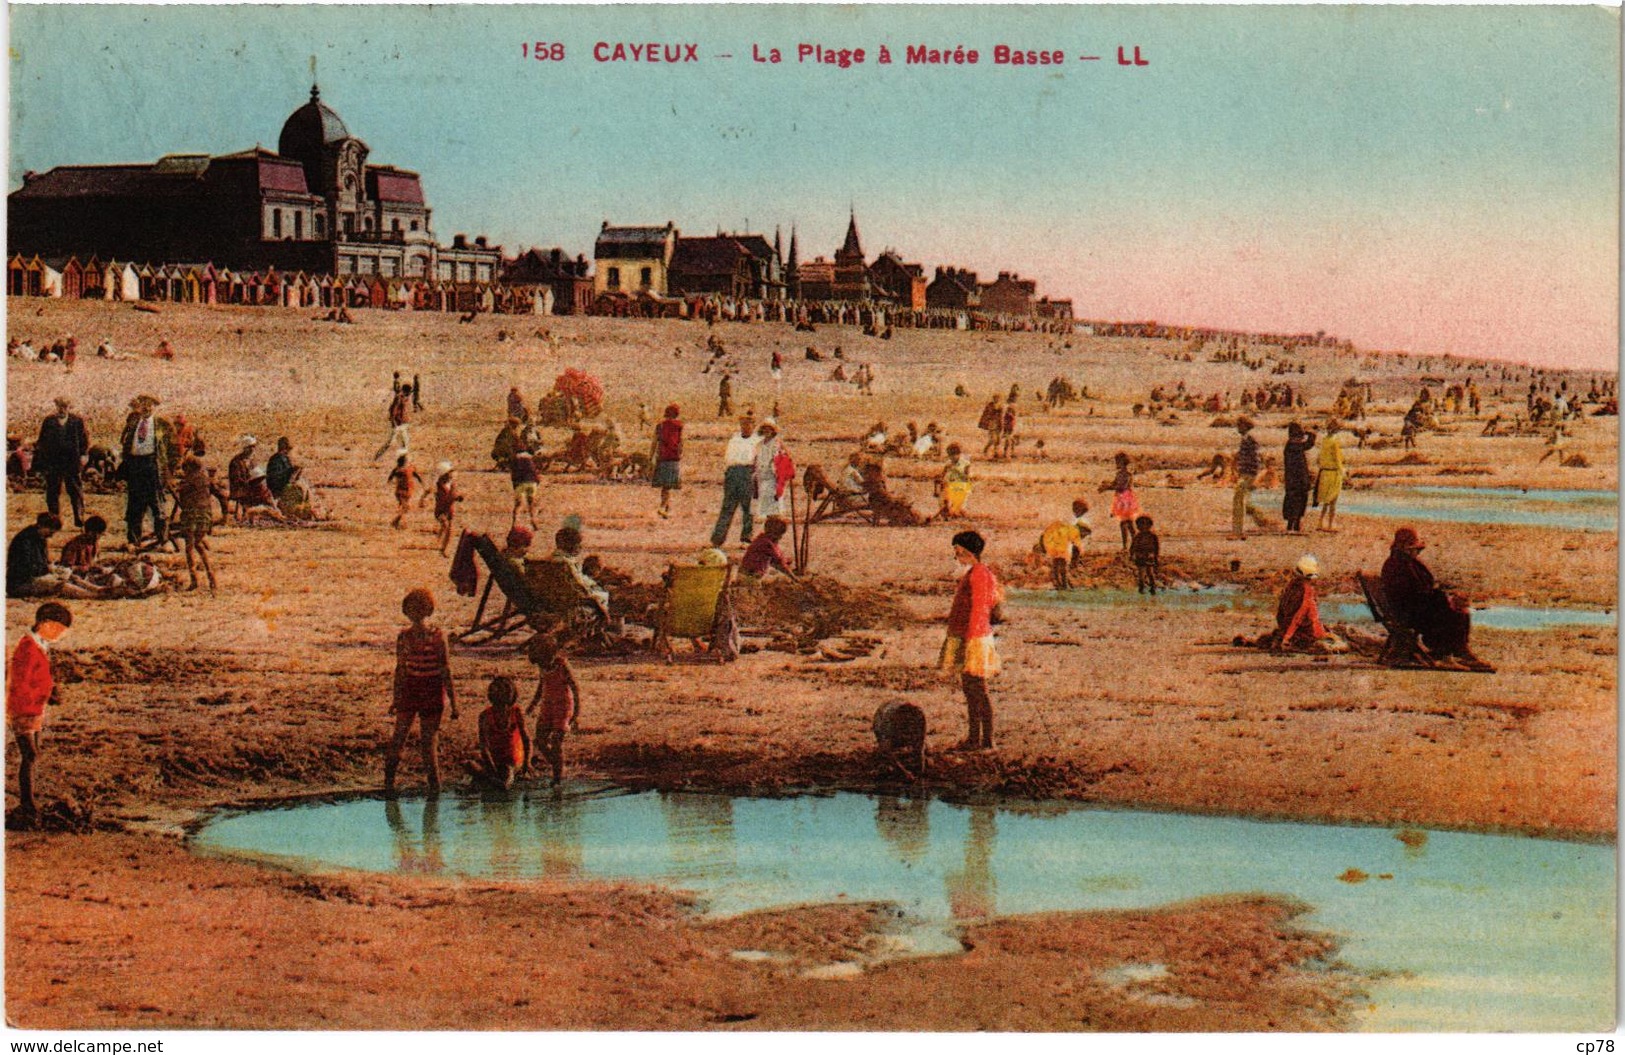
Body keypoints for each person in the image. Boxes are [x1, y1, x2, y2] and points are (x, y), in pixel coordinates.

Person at [1380, 527, 1493, 671]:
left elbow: (1417, 591)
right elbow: (1409, 595)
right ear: (1406, 548)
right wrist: (1442, 599)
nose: (1416, 552)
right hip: (1409, 613)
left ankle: (1458, 651)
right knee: (1450, 610)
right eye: (1414, 549)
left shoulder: (1402, 563)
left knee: (1457, 609)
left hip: (1411, 609)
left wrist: (1444, 598)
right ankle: (1453, 652)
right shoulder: (1398, 565)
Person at [386, 588, 457, 794]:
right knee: (417, 740)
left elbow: (445, 669)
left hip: (429, 690)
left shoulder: (433, 636)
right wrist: (396, 698)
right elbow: (401, 669)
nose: (416, 613)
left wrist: (454, 702)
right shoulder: (411, 637)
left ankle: (395, 787)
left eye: (419, 608)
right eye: (413, 608)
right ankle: (398, 785)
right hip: (417, 688)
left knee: (421, 741)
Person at [8, 602, 73, 823]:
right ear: (45, 624)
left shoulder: (39, 645)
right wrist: (38, 697)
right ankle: (27, 803)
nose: (60, 635)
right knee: (30, 754)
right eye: (58, 629)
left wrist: (50, 691)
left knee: (33, 754)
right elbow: (20, 682)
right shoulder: (27, 647)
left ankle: (29, 801)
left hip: (35, 709)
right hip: (25, 710)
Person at [941, 530, 1001, 752]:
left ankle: (986, 740)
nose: (956, 557)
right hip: (972, 635)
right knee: (971, 689)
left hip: (974, 638)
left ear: (968, 552)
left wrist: (970, 640)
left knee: (977, 689)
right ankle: (975, 738)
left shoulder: (978, 574)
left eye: (958, 552)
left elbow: (979, 609)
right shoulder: (977, 573)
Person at [118, 395, 173, 546]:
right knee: (134, 505)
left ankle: (163, 541)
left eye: (149, 405)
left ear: (154, 407)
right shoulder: (134, 422)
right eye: (143, 405)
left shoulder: (161, 424)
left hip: (152, 467)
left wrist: (169, 469)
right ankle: (133, 541)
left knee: (157, 505)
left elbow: (174, 449)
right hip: (135, 467)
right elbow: (126, 445)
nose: (146, 408)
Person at [526, 633, 579, 787]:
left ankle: (557, 777)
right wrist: (533, 704)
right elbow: (541, 686)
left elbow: (575, 688)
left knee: (556, 742)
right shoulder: (542, 666)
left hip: (563, 707)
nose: (542, 664)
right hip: (547, 706)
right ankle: (557, 764)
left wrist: (576, 713)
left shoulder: (562, 665)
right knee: (540, 740)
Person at [35, 397, 89, 527]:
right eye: (60, 406)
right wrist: (42, 462)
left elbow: (84, 440)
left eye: (65, 406)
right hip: (53, 462)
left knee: (75, 490)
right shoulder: (49, 421)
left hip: (72, 461)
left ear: (69, 407)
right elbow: (42, 442)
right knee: (53, 490)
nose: (62, 409)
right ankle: (54, 518)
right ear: (56, 407)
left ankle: (79, 516)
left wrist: (83, 455)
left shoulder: (77, 421)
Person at [472, 676, 530, 791]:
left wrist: (526, 764)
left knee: (506, 777)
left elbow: (526, 740)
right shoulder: (485, 716)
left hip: (512, 761)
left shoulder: (516, 712)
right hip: (494, 760)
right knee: (469, 764)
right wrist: (492, 768)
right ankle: (491, 778)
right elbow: (484, 748)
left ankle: (489, 779)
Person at [710, 416, 759, 546]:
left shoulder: (757, 441)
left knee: (748, 508)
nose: (745, 427)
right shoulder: (734, 440)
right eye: (743, 425)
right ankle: (718, 539)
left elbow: (758, 459)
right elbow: (728, 457)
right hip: (732, 472)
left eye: (748, 425)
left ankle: (746, 538)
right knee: (727, 506)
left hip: (747, 473)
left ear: (753, 426)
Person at [1038, 501, 1090, 591]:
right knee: (1063, 566)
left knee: (1056, 565)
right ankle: (1065, 585)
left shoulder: (1064, 523)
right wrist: (1079, 556)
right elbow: (1077, 545)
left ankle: (1058, 584)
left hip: (1052, 544)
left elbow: (1045, 534)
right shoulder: (1074, 529)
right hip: (1062, 548)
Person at [7, 513, 61, 598]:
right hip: (20, 584)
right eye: (50, 531)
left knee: (72, 578)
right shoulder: (24, 540)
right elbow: (26, 568)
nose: (51, 536)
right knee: (61, 586)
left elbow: (43, 561)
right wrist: (47, 569)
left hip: (35, 578)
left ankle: (90, 592)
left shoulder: (40, 538)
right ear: (40, 525)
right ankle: (89, 595)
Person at [1281, 421, 1317, 534]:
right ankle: (1295, 525)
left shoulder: (1290, 445)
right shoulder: (1295, 445)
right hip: (1299, 480)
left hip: (1292, 480)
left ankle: (1292, 525)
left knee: (1292, 501)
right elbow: (1309, 444)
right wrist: (1310, 433)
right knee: (1299, 501)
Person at [753, 419, 792, 520]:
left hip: (773, 473)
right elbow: (756, 458)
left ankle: (777, 516)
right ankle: (767, 516)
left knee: (774, 494)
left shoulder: (777, 443)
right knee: (764, 493)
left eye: (769, 429)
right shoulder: (759, 444)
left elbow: (785, 457)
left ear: (773, 431)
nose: (767, 431)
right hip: (762, 473)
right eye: (765, 429)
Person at [740, 517, 800, 582]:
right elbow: (779, 563)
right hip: (751, 576)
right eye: (779, 534)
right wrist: (794, 578)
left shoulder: (760, 539)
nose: (780, 537)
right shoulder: (767, 544)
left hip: (745, 573)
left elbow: (774, 560)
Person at [1101, 452, 1139, 549]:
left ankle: (1128, 545)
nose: (1116, 463)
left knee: (1125, 523)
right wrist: (1106, 486)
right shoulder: (1119, 474)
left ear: (1123, 462)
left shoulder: (1128, 475)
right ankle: (1130, 544)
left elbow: (1122, 487)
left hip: (1126, 500)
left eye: (1117, 461)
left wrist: (1107, 487)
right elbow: (1115, 484)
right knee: (1127, 523)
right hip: (1120, 499)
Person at [651, 403, 683, 519]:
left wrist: (651, 457)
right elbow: (681, 442)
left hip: (662, 458)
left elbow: (654, 442)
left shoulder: (660, 426)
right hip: (673, 458)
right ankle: (664, 507)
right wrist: (680, 455)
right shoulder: (679, 426)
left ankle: (665, 507)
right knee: (667, 486)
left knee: (665, 486)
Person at [1231, 418, 1262, 540]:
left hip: (1248, 474)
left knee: (1238, 500)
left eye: (1239, 425)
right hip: (1246, 473)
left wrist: (1254, 475)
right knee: (1244, 501)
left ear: (1245, 426)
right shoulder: (1247, 439)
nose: (1238, 427)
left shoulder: (1249, 440)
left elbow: (1256, 458)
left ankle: (1237, 531)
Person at [1315, 418, 1346, 533]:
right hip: (1334, 472)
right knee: (1333, 500)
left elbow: (1319, 458)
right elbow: (1338, 460)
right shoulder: (1335, 442)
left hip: (1324, 472)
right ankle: (1330, 524)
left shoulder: (1324, 440)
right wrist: (1343, 472)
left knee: (1326, 500)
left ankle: (1320, 521)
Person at [373, 383, 413, 462]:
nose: (409, 394)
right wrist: (393, 422)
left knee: (405, 443)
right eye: (408, 392)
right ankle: (376, 457)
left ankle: (404, 461)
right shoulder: (399, 398)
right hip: (397, 425)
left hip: (404, 424)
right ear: (405, 391)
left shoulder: (406, 398)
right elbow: (393, 411)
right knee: (390, 443)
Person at [431, 461, 462, 557]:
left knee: (449, 530)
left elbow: (454, 494)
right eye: (450, 473)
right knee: (445, 526)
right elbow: (445, 498)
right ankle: (441, 547)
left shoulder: (452, 484)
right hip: (441, 511)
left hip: (449, 510)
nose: (452, 475)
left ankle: (443, 547)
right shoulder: (439, 486)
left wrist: (458, 497)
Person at [387, 454, 424, 530]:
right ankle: (397, 522)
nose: (410, 460)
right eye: (408, 459)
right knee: (406, 507)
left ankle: (398, 522)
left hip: (409, 491)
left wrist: (421, 482)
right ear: (405, 461)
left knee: (404, 508)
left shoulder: (410, 468)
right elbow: (391, 476)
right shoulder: (399, 470)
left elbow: (417, 475)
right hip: (401, 491)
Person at [227, 436, 259, 521]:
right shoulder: (236, 462)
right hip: (239, 488)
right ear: (245, 448)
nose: (252, 450)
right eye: (250, 447)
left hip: (248, 486)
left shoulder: (251, 461)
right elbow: (236, 479)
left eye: (253, 447)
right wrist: (248, 483)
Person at [938, 444, 972, 519]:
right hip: (951, 484)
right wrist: (942, 481)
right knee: (945, 500)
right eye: (950, 456)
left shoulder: (965, 463)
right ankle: (947, 512)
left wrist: (958, 471)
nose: (952, 457)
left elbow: (967, 476)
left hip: (962, 485)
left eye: (954, 455)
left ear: (959, 454)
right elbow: (943, 474)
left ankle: (957, 512)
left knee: (958, 508)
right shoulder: (948, 463)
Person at [510, 448, 541, 530]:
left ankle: (514, 523)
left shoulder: (515, 460)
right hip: (532, 482)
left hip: (520, 483)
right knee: (531, 504)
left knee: (518, 505)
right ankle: (533, 521)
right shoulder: (531, 459)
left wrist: (515, 486)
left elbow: (514, 474)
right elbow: (536, 473)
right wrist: (537, 482)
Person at [1129, 514, 1160, 594]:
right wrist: (1132, 555)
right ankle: (1142, 588)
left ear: (1149, 526)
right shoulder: (1139, 536)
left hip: (1148, 556)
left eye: (1145, 525)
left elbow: (1156, 548)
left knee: (1149, 573)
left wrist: (1156, 557)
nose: (1142, 527)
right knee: (1142, 574)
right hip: (1141, 557)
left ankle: (1152, 588)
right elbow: (1133, 547)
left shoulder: (1152, 536)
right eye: (1140, 525)